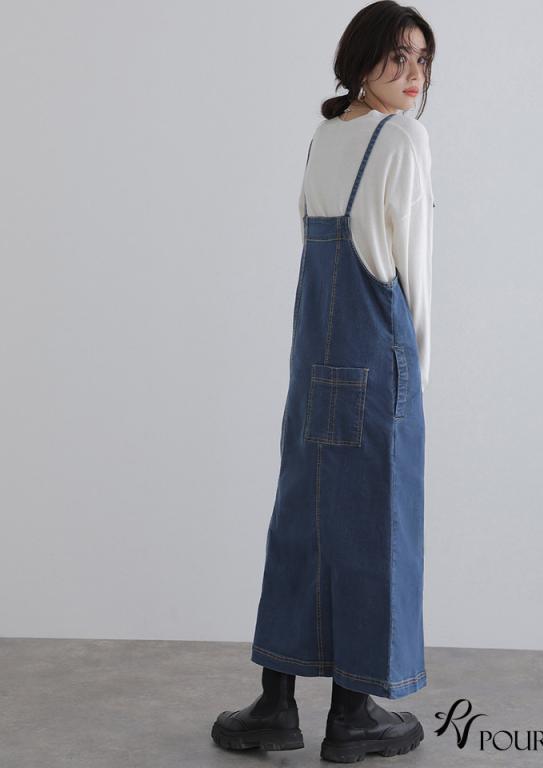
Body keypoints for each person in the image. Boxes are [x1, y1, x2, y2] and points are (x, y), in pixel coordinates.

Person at [212, 1, 435, 762]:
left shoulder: (326, 133)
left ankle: (275, 705)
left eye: (422, 59)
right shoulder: (402, 138)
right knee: (376, 530)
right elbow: (416, 269)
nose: (413, 74)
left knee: (301, 526)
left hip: (314, 362)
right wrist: (415, 380)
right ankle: (353, 714)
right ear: (361, 58)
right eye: (398, 56)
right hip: (376, 359)